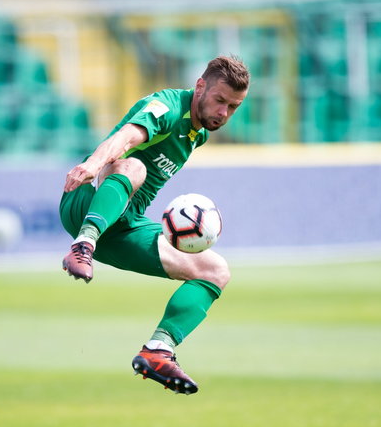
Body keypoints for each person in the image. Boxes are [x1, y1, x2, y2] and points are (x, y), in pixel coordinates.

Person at [59, 55, 250, 395]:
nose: (224, 113)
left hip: (124, 226)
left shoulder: (198, 133)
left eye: (233, 107)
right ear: (200, 86)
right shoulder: (165, 107)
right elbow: (127, 138)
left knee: (215, 270)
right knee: (134, 168)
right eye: (220, 100)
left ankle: (158, 351)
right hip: (86, 203)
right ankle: (83, 244)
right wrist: (94, 163)